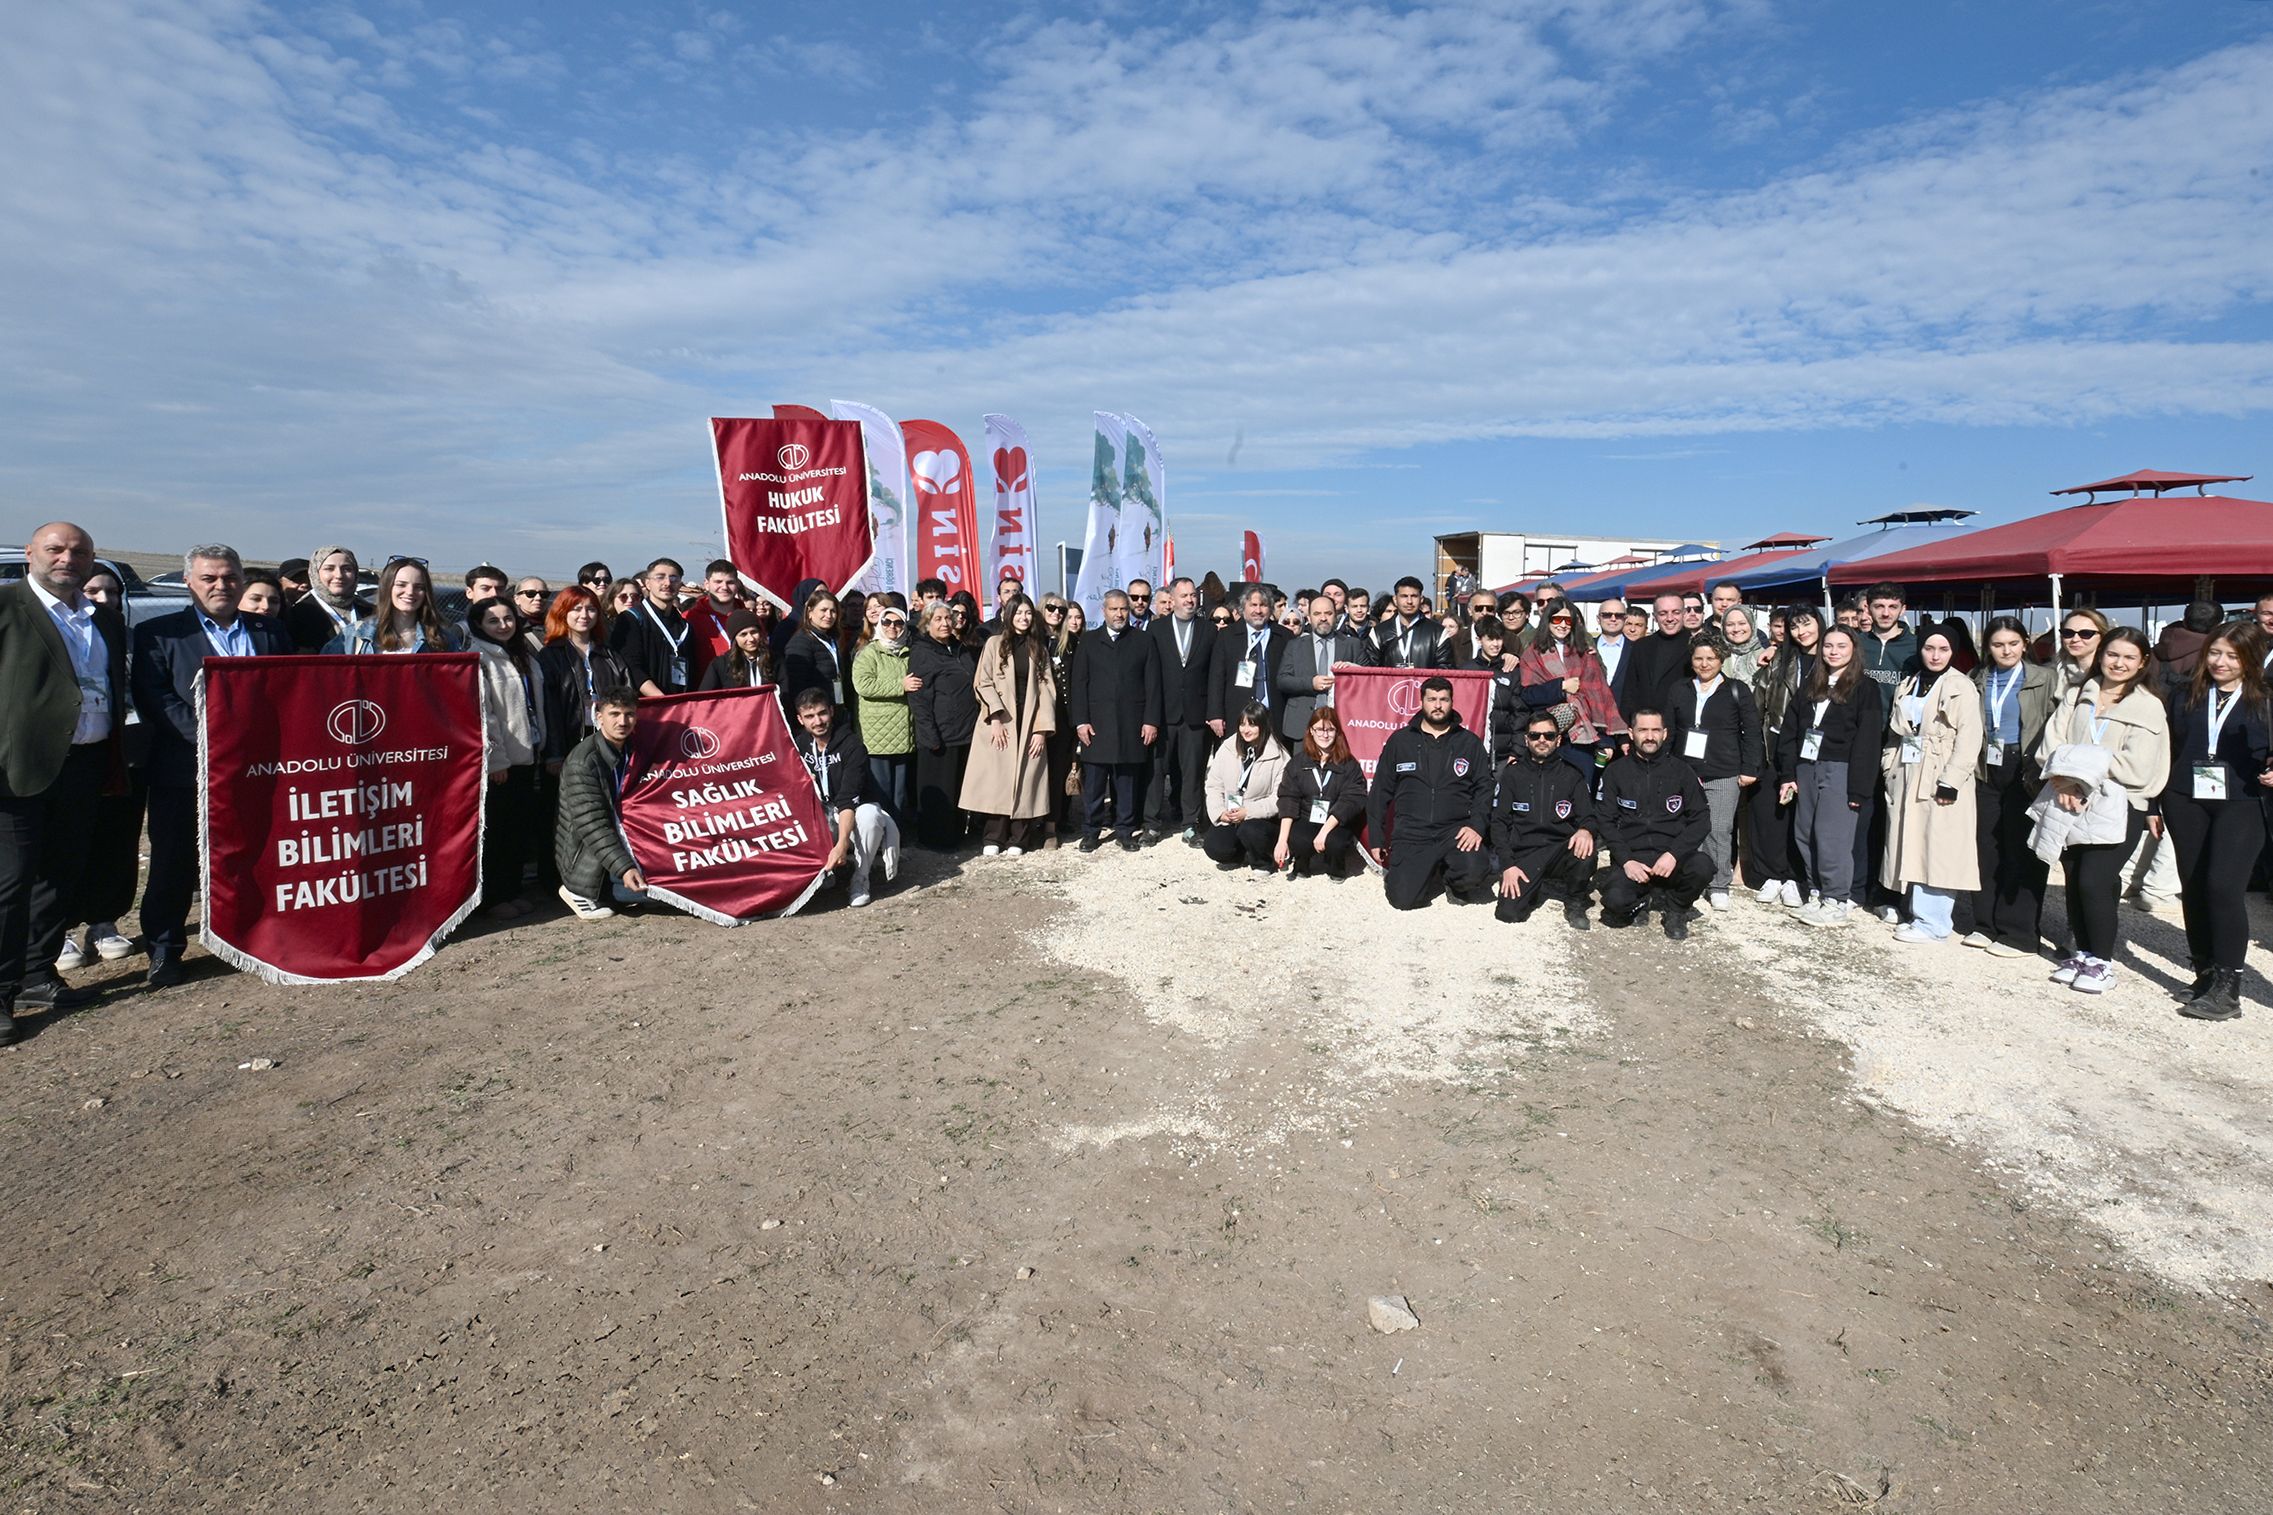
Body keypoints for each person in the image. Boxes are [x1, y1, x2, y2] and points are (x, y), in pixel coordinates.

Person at [130, 544, 293, 987]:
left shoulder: (270, 632)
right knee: (174, 863)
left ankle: (251, 937)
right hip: (187, 771)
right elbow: (158, 702)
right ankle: (164, 951)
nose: (221, 586)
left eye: (229, 578)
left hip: (260, 771)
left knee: (255, 857)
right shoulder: (159, 634)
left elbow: (288, 693)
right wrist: (218, 741)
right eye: (209, 578)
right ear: (189, 582)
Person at [1, 522, 128, 1043]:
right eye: (55, 549)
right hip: (16, 770)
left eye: (79, 552)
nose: (67, 559)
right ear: (31, 553)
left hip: (85, 764)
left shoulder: (104, 619)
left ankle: (37, 973)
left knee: (60, 873)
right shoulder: (8, 608)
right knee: (10, 883)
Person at [2035, 627, 2169, 994]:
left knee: (2096, 880)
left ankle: (2102, 962)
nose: (2119, 663)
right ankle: (2081, 950)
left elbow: (2137, 767)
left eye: (2129, 657)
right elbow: (2052, 744)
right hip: (2067, 799)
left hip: (2121, 805)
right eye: (2113, 654)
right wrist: (2064, 779)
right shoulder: (2080, 693)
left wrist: (2078, 772)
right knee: (2075, 878)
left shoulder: (2148, 706)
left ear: (2143, 662)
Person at [2160, 624, 2273, 1019]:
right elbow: (2167, 747)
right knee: (2193, 885)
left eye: (2232, 655)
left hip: (2241, 801)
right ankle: (2205, 972)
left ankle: (2228, 987)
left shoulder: (2265, 699)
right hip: (2184, 797)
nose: (2221, 663)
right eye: (2215, 653)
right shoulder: (2186, 694)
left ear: (2251, 659)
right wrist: (2154, 805)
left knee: (2223, 886)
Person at [57, 567, 145, 976]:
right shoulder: (64, 635)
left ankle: (104, 920)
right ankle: (59, 928)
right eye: (94, 590)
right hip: (70, 754)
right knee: (65, 843)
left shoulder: (128, 636)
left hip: (123, 751)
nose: (104, 599)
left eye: (112, 591)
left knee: (117, 839)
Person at [1881, 621, 1983, 943]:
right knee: (1911, 839)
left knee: (1938, 846)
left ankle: (1935, 922)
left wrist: (1951, 780)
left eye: (1943, 649)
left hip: (1941, 773)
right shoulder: (1910, 682)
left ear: (1953, 651)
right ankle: (1916, 912)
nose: (1936, 655)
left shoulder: (1961, 686)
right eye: (1929, 648)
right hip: (1908, 770)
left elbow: (1970, 737)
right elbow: (1897, 730)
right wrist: (1888, 765)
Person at [1775, 627, 1885, 927]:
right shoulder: (1812, 684)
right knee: (1805, 832)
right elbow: (1790, 730)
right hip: (1806, 767)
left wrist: (1859, 790)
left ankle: (1836, 898)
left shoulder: (1865, 688)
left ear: (1854, 650)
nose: (1833, 651)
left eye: (1841, 646)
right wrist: (1788, 772)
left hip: (1841, 770)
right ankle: (1816, 891)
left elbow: (1868, 740)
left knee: (1831, 837)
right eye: (1828, 646)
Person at [1966, 615, 2055, 957]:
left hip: (2025, 766)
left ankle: (2019, 932)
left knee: (2023, 848)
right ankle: (1984, 923)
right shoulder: (1978, 677)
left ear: (2025, 644)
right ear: (1987, 647)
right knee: (1987, 845)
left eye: (2013, 643)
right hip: (1986, 765)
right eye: (1998, 644)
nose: (2006, 650)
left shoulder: (2044, 678)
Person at [1366, 676, 1492, 909]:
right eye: (1432, 699)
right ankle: (1426, 871)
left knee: (1476, 869)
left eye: (1443, 699)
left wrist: (1476, 826)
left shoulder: (1469, 743)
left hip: (1453, 830)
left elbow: (1484, 789)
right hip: (1412, 832)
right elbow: (1379, 792)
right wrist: (1376, 838)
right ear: (1421, 702)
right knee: (1402, 900)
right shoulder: (1400, 741)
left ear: (1451, 702)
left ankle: (1452, 878)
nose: (1437, 705)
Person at [1597, 710, 1713, 939]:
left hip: (1671, 859)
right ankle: (1643, 900)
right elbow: (1605, 820)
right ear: (1631, 733)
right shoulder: (1615, 772)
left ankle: (1676, 908)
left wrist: (1674, 854)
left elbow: (1701, 819)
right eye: (1643, 730)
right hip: (1633, 859)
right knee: (1614, 903)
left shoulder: (1682, 771)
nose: (1649, 736)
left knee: (1703, 866)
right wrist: (1627, 860)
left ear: (1664, 733)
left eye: (1655, 730)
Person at [1665, 637, 1761, 910]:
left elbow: (1751, 732)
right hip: (1684, 771)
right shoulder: (1679, 689)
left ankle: (1718, 883)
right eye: (1698, 658)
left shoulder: (1736, 690)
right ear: (1691, 660)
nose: (1704, 664)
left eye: (1710, 658)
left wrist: (1749, 768)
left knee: (1719, 829)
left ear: (1721, 660)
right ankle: (1686, 877)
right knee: (1684, 826)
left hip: (1723, 771)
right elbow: (1669, 731)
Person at [468, 598, 547, 920]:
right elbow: (483, 712)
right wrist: (496, 758)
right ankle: (494, 896)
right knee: (497, 831)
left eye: (507, 618)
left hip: (528, 753)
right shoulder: (478, 657)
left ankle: (512, 889)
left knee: (517, 827)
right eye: (493, 621)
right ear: (478, 625)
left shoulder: (522, 653)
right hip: (502, 761)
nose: (503, 625)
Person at [962, 594, 1058, 855]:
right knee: (997, 778)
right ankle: (994, 836)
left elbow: (1048, 691)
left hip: (1029, 720)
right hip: (1001, 720)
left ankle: (1019, 838)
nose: (1024, 618)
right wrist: (994, 717)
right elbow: (983, 682)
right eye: (1018, 613)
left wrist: (1041, 728)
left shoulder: (1039, 648)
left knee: (1027, 779)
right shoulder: (994, 644)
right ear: (1008, 615)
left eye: (1028, 613)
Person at [1068, 589, 1162, 851]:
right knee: (1096, 784)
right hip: (1096, 726)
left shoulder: (1143, 641)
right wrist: (1081, 721)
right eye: (1114, 609)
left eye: (1123, 609)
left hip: (1132, 724)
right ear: (1104, 611)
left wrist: (1151, 720)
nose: (1119, 614)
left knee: (1127, 782)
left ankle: (1124, 830)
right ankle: (1091, 831)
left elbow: (1153, 685)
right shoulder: (1088, 641)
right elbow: (1080, 684)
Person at [791, 689, 900, 907]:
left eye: (822, 713)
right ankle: (820, 872)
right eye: (810, 716)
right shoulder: (799, 744)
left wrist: (841, 845)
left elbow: (847, 800)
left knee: (870, 815)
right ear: (800, 719)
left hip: (852, 809)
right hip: (823, 811)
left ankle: (860, 878)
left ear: (832, 712)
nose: (818, 721)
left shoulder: (852, 745)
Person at [1492, 709, 1600, 929]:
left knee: (1586, 847)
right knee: (1508, 914)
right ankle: (1533, 886)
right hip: (1526, 853)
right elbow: (1499, 822)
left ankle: (1575, 900)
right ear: (1526, 739)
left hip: (1560, 850)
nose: (1542, 740)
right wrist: (1508, 865)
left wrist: (1586, 830)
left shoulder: (1572, 774)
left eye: (1549, 736)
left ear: (1558, 739)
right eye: (1535, 735)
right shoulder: (1512, 775)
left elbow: (1589, 817)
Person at [554, 687, 647, 920]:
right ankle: (578, 892)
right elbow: (592, 825)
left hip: (622, 844)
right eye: (614, 714)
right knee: (654, 895)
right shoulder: (582, 763)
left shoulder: (633, 750)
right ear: (599, 717)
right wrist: (624, 867)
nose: (622, 721)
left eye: (629, 714)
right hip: (586, 860)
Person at [1746, 605, 1818, 907]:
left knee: (1802, 817)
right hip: (1775, 743)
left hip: (1814, 747)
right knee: (1770, 812)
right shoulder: (1778, 660)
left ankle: (1794, 876)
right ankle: (1772, 874)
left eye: (1807, 624)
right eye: (1794, 627)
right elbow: (1759, 704)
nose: (1801, 632)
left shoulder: (1832, 659)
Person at [1142, 577, 1216, 843]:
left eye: (1193, 595)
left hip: (1196, 714)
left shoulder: (1208, 630)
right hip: (1162, 714)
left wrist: (1213, 711)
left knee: (1192, 771)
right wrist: (1149, 718)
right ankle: (1151, 823)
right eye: (1183, 596)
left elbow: (1214, 674)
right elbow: (1149, 676)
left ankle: (1189, 823)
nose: (1189, 600)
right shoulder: (1156, 630)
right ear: (1171, 600)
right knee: (1156, 771)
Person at [1511, 605, 1624, 769]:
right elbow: (1528, 695)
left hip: (1583, 740)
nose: (1562, 625)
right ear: (1547, 621)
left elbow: (1600, 697)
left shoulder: (1584, 653)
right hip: (1546, 737)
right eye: (1557, 619)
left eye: (1568, 620)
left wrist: (1605, 741)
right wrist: (1561, 687)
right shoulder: (1532, 654)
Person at [910, 600, 980, 850]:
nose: (944, 623)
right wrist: (930, 736)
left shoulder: (958, 648)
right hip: (940, 733)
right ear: (927, 623)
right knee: (940, 789)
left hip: (965, 731)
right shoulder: (922, 652)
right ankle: (936, 839)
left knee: (958, 787)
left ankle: (956, 834)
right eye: (938, 619)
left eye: (947, 618)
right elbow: (919, 698)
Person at [1271, 707, 1365, 879]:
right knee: (1298, 839)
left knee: (1335, 842)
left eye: (1330, 729)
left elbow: (1352, 800)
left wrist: (1324, 832)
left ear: (1337, 732)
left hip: (1336, 821)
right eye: (1319, 729)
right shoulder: (1297, 763)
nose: (1325, 734)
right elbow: (1288, 799)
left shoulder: (1349, 764)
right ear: (1311, 732)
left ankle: (1336, 868)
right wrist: (1282, 840)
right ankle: (1301, 865)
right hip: (1308, 816)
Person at [1276, 593, 1370, 747]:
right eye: (1317, 614)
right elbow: (1283, 680)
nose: (1323, 618)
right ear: (1309, 617)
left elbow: (1369, 681)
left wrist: (1353, 670)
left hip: (1341, 724)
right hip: (1302, 724)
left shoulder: (1353, 645)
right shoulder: (1295, 646)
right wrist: (1310, 683)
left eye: (1328, 613)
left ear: (1336, 615)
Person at [1201, 703, 1288, 870]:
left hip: (1261, 820)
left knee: (1250, 831)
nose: (1246, 729)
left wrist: (1248, 812)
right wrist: (1220, 812)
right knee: (1214, 846)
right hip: (1231, 814)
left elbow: (1279, 798)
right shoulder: (1227, 748)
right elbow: (1213, 785)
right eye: (1242, 724)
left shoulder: (1279, 756)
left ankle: (1263, 861)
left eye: (1252, 724)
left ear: (1263, 726)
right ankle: (1241, 854)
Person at [851, 604, 918, 822]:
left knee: (899, 792)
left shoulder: (909, 652)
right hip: (877, 733)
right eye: (887, 622)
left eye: (898, 623)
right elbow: (863, 684)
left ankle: (897, 836)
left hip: (903, 731)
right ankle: (880, 835)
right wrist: (900, 685)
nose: (892, 627)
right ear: (879, 625)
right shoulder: (869, 652)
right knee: (881, 790)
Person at [323, 557, 466, 653]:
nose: (410, 592)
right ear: (387, 588)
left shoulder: (443, 640)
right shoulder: (354, 636)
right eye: (401, 585)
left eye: (419, 587)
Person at [1210, 585, 1292, 738]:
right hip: (1238, 712)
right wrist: (1215, 714)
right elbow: (1216, 676)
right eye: (1253, 605)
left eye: (1263, 605)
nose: (1258, 610)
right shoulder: (1227, 636)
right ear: (1243, 608)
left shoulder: (1285, 636)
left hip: (1274, 713)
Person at [610, 558, 692, 696]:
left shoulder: (684, 626)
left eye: (673, 578)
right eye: (660, 577)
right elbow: (631, 667)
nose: (667, 583)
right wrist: (661, 699)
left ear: (680, 584)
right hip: (646, 706)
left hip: (679, 705)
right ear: (648, 584)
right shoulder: (630, 619)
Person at [1046, 598, 1086, 838]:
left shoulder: (1073, 643)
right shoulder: (1036, 641)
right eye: (1052, 609)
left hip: (1066, 716)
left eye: (1062, 610)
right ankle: (1040, 818)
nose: (1058, 614)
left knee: (1064, 769)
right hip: (1041, 715)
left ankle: (1060, 818)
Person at [1622, 593, 1694, 720]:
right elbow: (1629, 690)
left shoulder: (1695, 646)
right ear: (1655, 617)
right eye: (1663, 613)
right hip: (1646, 726)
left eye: (1675, 612)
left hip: (1682, 724)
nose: (1670, 618)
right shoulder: (1641, 646)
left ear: (1684, 614)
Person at [288, 545, 370, 652]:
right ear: (315, 573)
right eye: (329, 569)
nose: (339, 575)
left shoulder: (370, 611)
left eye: (347, 569)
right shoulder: (298, 614)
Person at [779, 586, 848, 708]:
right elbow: (797, 686)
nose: (829, 615)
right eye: (823, 610)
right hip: (815, 714)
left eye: (833, 611)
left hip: (836, 708)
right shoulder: (800, 642)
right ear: (810, 612)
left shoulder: (833, 639)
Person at [681, 560, 745, 686]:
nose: (724, 587)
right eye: (718, 582)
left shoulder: (748, 618)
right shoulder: (689, 618)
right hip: (706, 693)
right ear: (706, 584)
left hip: (744, 693)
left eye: (730, 582)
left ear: (737, 584)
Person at [1370, 576, 1449, 668]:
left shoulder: (1438, 633)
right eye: (1404, 596)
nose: (1409, 601)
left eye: (1414, 596)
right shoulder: (1378, 633)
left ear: (1421, 599)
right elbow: (1371, 674)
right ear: (1395, 599)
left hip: (1425, 683)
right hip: (1391, 683)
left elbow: (1446, 671)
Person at [696, 609, 771, 690]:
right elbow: (706, 697)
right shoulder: (721, 664)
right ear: (735, 638)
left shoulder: (773, 660)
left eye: (754, 632)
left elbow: (784, 694)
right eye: (743, 634)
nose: (751, 639)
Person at [1719, 606, 1766, 685]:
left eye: (1742, 623)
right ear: (1723, 628)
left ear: (1752, 625)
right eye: (1730, 624)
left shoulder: (1765, 656)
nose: (1736, 629)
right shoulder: (1717, 654)